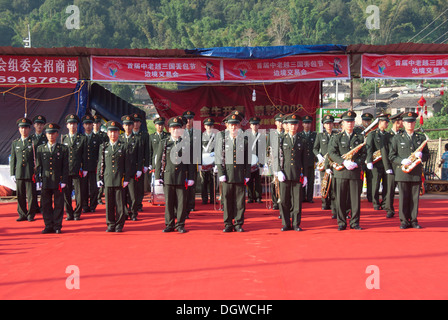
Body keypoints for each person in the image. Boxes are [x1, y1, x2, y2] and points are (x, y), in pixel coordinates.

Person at [389, 112, 430, 229]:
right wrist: (401, 161)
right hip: (402, 172)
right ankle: (403, 221)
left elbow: (427, 155)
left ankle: (413, 220)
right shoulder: (397, 138)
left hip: (416, 172)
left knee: (414, 198)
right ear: (403, 123)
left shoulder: (421, 138)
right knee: (403, 198)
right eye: (407, 122)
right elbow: (392, 156)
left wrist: (422, 155)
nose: (410, 124)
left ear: (414, 123)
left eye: (412, 122)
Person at [154, 116, 195, 233]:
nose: (175, 130)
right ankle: (169, 224)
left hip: (182, 176)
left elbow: (190, 162)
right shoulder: (164, 143)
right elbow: (158, 161)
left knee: (181, 203)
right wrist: (157, 176)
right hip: (168, 176)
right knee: (169, 202)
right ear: (169, 130)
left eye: (178, 128)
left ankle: (180, 224)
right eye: (173, 128)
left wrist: (191, 177)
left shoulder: (186, 143)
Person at [328, 111, 366, 231]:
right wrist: (343, 162)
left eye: (352, 121)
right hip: (341, 172)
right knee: (341, 198)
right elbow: (332, 153)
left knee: (355, 199)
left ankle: (355, 222)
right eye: (347, 122)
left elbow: (364, 153)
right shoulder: (337, 137)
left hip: (354, 172)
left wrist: (356, 163)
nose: (350, 124)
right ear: (342, 124)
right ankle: (342, 222)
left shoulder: (360, 137)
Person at [216, 113, 250, 232]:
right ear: (227, 126)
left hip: (240, 175)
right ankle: (228, 224)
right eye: (231, 125)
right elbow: (219, 158)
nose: (233, 127)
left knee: (240, 202)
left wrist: (247, 175)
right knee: (227, 201)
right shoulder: (222, 140)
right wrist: (221, 174)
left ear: (239, 126)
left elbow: (247, 159)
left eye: (235, 125)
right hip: (227, 175)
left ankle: (239, 224)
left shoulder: (245, 140)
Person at [97, 121, 131, 233]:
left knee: (120, 203)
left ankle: (119, 225)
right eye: (111, 132)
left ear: (118, 133)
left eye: (115, 132)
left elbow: (127, 164)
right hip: (107, 178)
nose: (113, 134)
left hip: (119, 179)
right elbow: (100, 163)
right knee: (109, 203)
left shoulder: (124, 146)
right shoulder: (103, 146)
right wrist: (99, 178)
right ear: (107, 133)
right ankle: (110, 224)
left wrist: (126, 179)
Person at [275, 114, 307, 231]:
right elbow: (277, 157)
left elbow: (305, 159)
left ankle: (296, 224)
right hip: (284, 174)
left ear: (298, 126)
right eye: (291, 124)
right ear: (286, 125)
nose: (293, 126)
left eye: (295, 124)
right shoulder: (281, 139)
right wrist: (279, 170)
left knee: (297, 201)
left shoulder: (302, 140)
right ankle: (285, 223)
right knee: (284, 200)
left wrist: (306, 175)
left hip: (298, 174)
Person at [35, 123, 69, 234]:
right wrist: (38, 180)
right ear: (46, 134)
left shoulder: (63, 149)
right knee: (46, 204)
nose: (51, 136)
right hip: (46, 180)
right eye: (49, 133)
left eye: (53, 133)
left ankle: (57, 226)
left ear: (57, 134)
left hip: (58, 180)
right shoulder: (40, 148)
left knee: (59, 204)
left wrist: (64, 180)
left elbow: (65, 166)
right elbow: (38, 166)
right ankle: (48, 225)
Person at [10, 118, 39, 222]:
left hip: (30, 172)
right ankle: (22, 214)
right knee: (20, 194)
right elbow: (13, 159)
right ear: (19, 129)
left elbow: (37, 159)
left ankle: (31, 214)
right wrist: (12, 173)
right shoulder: (15, 143)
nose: (24, 130)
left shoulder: (33, 142)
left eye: (26, 128)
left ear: (29, 129)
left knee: (31, 195)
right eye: (22, 128)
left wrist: (37, 173)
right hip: (19, 173)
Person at [61, 114, 87, 221]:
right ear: (67, 126)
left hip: (78, 169)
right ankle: (69, 213)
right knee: (66, 193)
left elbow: (85, 155)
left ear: (77, 125)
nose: (72, 126)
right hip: (66, 170)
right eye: (70, 124)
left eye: (74, 124)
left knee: (79, 193)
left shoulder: (82, 138)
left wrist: (84, 168)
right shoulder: (64, 138)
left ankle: (77, 213)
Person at [366, 113, 393, 212]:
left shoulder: (388, 135)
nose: (387, 124)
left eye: (387, 122)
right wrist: (369, 161)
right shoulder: (372, 134)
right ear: (380, 122)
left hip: (386, 164)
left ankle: (385, 203)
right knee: (376, 184)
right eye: (385, 122)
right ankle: (375, 203)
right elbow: (369, 148)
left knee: (386, 184)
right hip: (376, 163)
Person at [313, 114, 337, 217]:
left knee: (333, 184)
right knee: (325, 183)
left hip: (333, 162)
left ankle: (333, 204)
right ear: (323, 125)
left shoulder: (337, 135)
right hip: (323, 163)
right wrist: (318, 155)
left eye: (331, 123)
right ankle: (324, 203)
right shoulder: (320, 135)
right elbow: (315, 148)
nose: (329, 125)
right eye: (327, 124)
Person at [120, 115, 142, 221]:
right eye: (126, 125)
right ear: (123, 126)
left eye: (129, 125)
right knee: (122, 194)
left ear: (132, 126)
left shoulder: (137, 139)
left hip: (133, 170)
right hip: (122, 172)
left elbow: (140, 155)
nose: (128, 127)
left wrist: (139, 169)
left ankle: (133, 213)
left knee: (133, 195)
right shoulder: (119, 138)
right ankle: (124, 212)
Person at [80, 114, 102, 213]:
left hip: (94, 166)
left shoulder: (97, 138)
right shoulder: (80, 138)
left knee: (94, 188)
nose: (88, 126)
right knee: (83, 188)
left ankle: (93, 205)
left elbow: (100, 153)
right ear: (83, 125)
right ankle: (84, 206)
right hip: (84, 167)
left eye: (90, 124)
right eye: (86, 124)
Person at [384, 112, 404, 218]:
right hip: (391, 166)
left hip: (401, 165)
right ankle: (389, 209)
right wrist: (387, 167)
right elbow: (384, 152)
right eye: (401, 121)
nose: (403, 123)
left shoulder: (402, 134)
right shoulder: (387, 136)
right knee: (390, 189)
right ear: (397, 122)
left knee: (402, 189)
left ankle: (403, 210)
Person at [182, 111, 201, 216]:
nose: (189, 121)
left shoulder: (198, 133)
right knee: (182, 186)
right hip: (182, 163)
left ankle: (191, 205)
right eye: (187, 119)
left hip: (193, 162)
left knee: (191, 185)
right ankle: (183, 206)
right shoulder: (180, 132)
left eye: (190, 119)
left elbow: (199, 150)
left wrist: (200, 163)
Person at [131, 113, 150, 213]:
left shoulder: (144, 135)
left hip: (140, 164)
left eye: (137, 122)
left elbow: (147, 151)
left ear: (140, 123)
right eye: (134, 122)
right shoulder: (128, 135)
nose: (135, 124)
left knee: (139, 186)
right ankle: (131, 204)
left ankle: (139, 204)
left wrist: (147, 164)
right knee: (130, 186)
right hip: (129, 164)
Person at [267, 112, 285, 210]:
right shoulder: (271, 134)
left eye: (282, 122)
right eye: (279, 121)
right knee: (274, 183)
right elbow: (267, 148)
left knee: (282, 182)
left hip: (283, 162)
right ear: (275, 123)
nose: (280, 123)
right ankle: (275, 202)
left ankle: (282, 201)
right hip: (273, 162)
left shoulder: (286, 133)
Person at [299, 115, 317, 203]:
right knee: (302, 180)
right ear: (302, 124)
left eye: (309, 123)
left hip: (311, 161)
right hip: (302, 162)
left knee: (310, 180)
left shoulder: (314, 135)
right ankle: (302, 197)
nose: (307, 125)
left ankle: (310, 198)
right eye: (305, 123)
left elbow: (316, 148)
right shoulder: (299, 135)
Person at [246, 116, 263, 204]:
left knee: (258, 181)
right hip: (249, 161)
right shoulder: (246, 136)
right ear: (250, 125)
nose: (255, 126)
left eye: (256, 124)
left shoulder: (262, 136)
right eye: (253, 124)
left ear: (259, 126)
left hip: (258, 162)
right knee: (249, 180)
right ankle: (250, 197)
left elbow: (263, 150)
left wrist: (262, 163)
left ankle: (258, 197)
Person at [200, 117, 217, 204]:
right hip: (203, 161)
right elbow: (198, 149)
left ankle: (213, 199)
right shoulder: (201, 136)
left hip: (213, 161)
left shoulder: (216, 136)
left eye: (210, 126)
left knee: (213, 181)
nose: (209, 127)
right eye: (207, 126)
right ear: (204, 126)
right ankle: (204, 199)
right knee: (204, 181)